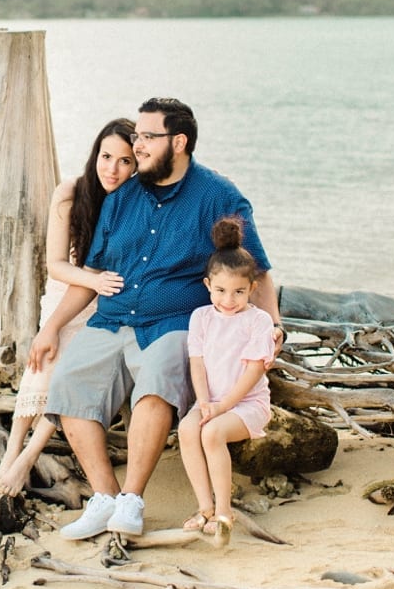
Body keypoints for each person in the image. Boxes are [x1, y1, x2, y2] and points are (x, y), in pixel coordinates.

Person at [29, 97, 282, 540]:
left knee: (158, 381)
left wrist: (273, 327)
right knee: (69, 382)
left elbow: (255, 268)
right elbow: (91, 275)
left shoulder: (218, 196)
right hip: (110, 319)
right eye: (137, 136)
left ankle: (132, 500)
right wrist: (51, 327)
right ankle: (104, 497)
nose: (137, 144)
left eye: (147, 137)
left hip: (173, 323)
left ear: (178, 142)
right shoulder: (123, 196)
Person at [0, 117, 138, 501]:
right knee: (43, 364)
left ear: (137, 165)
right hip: (66, 291)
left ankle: (27, 458)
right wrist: (88, 285)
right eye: (107, 156)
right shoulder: (71, 192)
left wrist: (97, 287)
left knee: (67, 376)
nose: (113, 168)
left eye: (125, 161)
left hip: (103, 303)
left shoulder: (134, 204)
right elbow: (55, 263)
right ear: (95, 155)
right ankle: (12, 451)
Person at [177, 215, 274, 545]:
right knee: (188, 429)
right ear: (207, 285)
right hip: (210, 399)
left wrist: (221, 408)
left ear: (252, 289)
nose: (228, 300)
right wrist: (204, 401)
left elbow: (253, 372)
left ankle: (223, 511)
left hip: (244, 404)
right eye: (220, 291)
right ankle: (203, 507)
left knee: (212, 433)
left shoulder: (257, 321)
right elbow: (198, 365)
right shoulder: (201, 317)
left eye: (238, 292)